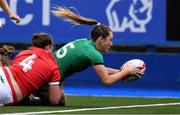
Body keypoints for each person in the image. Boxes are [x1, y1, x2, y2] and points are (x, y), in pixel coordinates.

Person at [34, 7, 143, 105]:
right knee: (57, 101)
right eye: (110, 40)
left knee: (61, 100)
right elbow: (107, 81)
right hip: (44, 76)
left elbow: (102, 70)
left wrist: (122, 72)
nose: (111, 44)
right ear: (101, 39)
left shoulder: (84, 42)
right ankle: (27, 97)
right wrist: (126, 72)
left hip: (41, 69)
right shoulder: (94, 54)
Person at [0, 32, 62, 106]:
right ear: (48, 47)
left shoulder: (23, 53)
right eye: (51, 47)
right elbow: (54, 100)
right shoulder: (53, 66)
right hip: (8, 91)